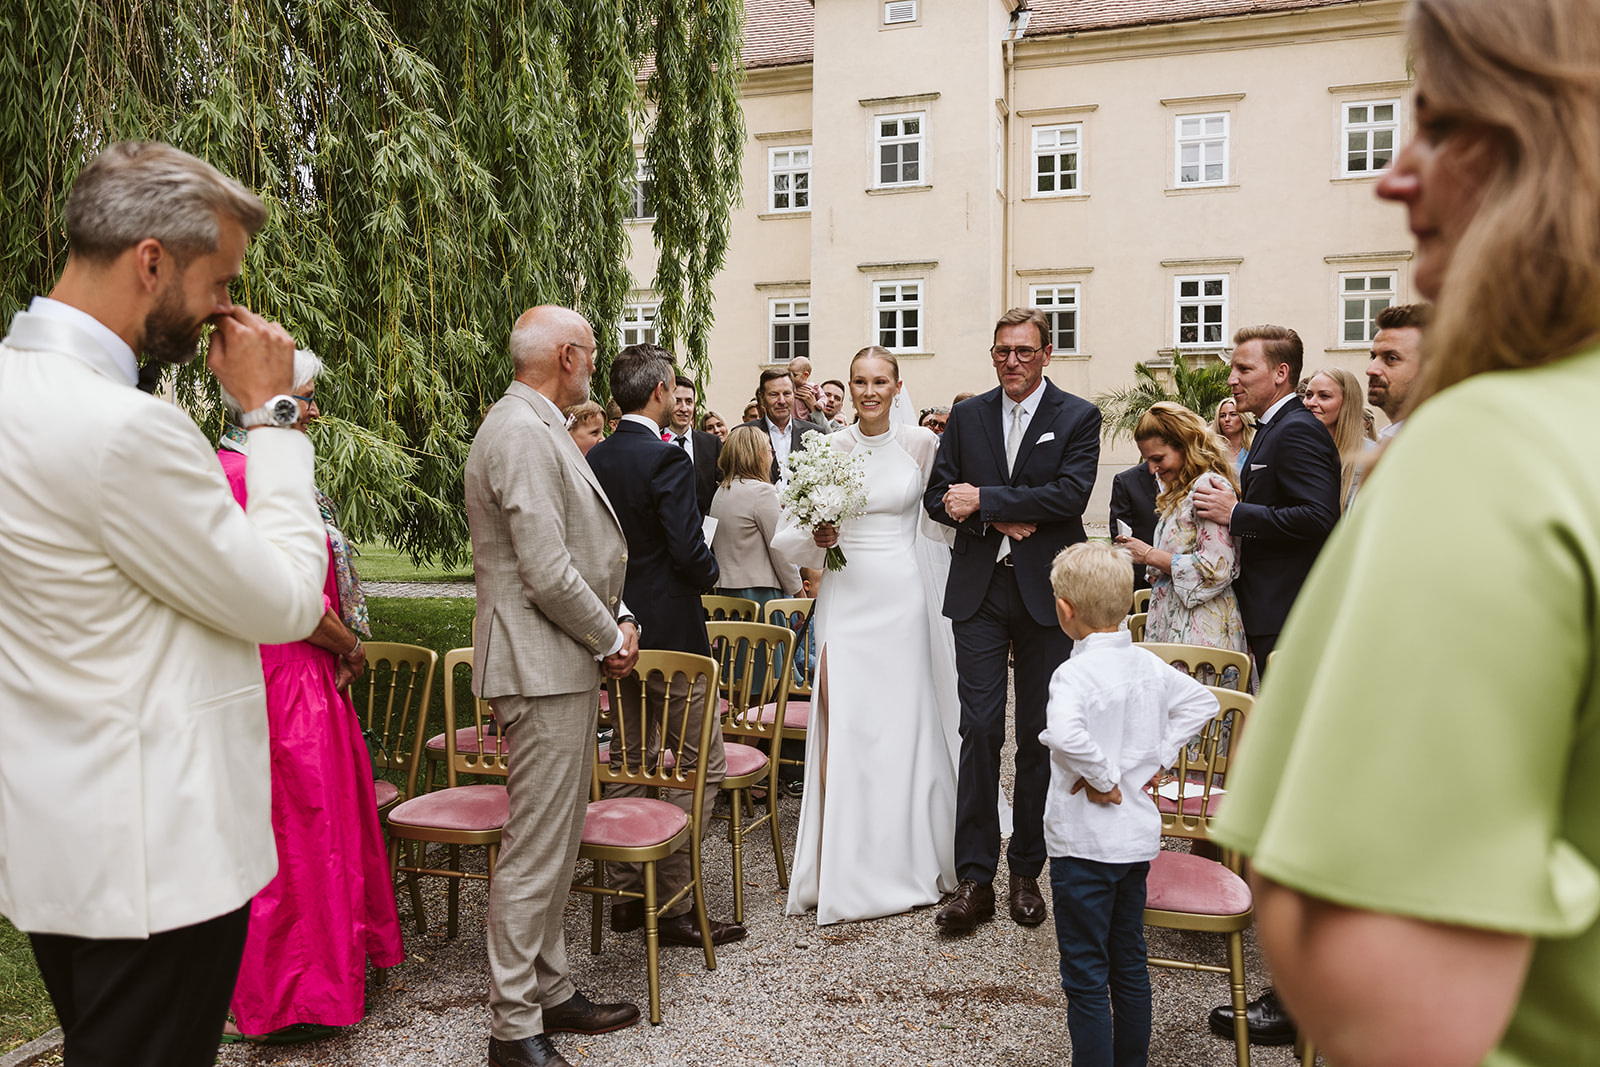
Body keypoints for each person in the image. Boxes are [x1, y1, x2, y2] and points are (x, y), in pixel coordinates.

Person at [1213, 4, 1600, 1065]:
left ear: (1548, 137)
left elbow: (1374, 973)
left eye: (1434, 126)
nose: (1394, 177)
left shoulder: (1492, 447)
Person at [0, 141, 329, 1067]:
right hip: (159, 861)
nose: (227, 307)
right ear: (152, 261)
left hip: (57, 840)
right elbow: (288, 599)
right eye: (219, 280)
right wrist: (272, 416)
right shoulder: (127, 432)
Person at [465, 305, 641, 1067]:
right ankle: (512, 1027)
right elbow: (543, 568)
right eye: (592, 354)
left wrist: (620, 613)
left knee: (558, 836)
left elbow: (582, 547)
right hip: (540, 662)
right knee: (535, 846)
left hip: (557, 659)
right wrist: (609, 636)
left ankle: (553, 987)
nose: (596, 367)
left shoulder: (538, 424)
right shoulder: (516, 431)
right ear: (567, 355)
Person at [216, 350, 404, 1042]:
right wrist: (348, 645)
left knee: (317, 828)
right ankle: (294, 996)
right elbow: (290, 593)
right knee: (301, 835)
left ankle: (321, 978)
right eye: (306, 397)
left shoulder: (240, 468)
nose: (316, 409)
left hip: (293, 670)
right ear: (274, 404)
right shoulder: (249, 479)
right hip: (287, 673)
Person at [925, 307, 1103, 935]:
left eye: (1024, 351)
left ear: (1047, 354)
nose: (1012, 362)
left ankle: (1026, 869)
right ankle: (974, 878)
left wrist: (989, 500)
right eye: (1003, 351)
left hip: (1046, 592)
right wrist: (990, 517)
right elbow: (938, 497)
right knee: (978, 731)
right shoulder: (968, 416)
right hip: (978, 589)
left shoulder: (1077, 416)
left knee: (1037, 733)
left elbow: (1070, 495)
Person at [777, 346, 963, 924]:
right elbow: (792, 533)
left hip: (903, 596)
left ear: (897, 385)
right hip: (848, 595)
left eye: (880, 381)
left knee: (904, 722)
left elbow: (942, 522)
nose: (869, 391)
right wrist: (821, 536)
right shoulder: (826, 448)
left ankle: (907, 856)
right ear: (850, 388)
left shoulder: (923, 445)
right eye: (860, 381)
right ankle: (846, 865)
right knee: (847, 720)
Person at [585, 343, 743, 947]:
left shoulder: (593, 458)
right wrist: (708, 572)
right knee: (700, 761)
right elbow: (685, 547)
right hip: (672, 630)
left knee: (628, 757)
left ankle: (628, 892)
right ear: (659, 392)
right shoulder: (665, 459)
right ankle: (671, 899)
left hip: (611, 628)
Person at [1039, 543, 1219, 1067]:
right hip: (1134, 844)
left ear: (1066, 609)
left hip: (1084, 846)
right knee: (1129, 963)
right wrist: (1157, 758)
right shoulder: (1146, 664)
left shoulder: (1072, 675)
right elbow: (1202, 703)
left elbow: (1066, 733)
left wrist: (1104, 778)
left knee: (1086, 973)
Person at [1194, 326, 1340, 670]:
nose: (1231, 379)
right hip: (1268, 609)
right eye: (1233, 369)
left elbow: (1319, 517)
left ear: (1281, 373)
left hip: (1287, 614)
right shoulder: (1271, 428)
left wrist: (1235, 514)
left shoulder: (1297, 429)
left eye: (1244, 369)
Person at [1115, 403, 1248, 665]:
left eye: (1159, 458)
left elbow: (1217, 568)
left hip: (1200, 634)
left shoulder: (1208, 487)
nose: (1152, 469)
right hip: (1174, 625)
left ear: (1185, 445)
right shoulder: (1181, 491)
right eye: (1148, 460)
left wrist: (1150, 555)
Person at [709, 425, 802, 611]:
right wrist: (798, 592)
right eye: (769, 450)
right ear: (758, 455)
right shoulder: (761, 492)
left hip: (725, 593)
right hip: (758, 595)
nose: (772, 457)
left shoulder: (721, 491)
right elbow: (779, 548)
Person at [1302, 368, 1375, 512]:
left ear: (1347, 403)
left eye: (1324, 396)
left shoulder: (1370, 457)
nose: (1311, 402)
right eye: (1309, 395)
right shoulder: (1301, 451)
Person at [1366, 302, 1429, 440]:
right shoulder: (1390, 438)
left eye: (1391, 358)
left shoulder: (1440, 442)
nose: (1371, 370)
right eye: (1373, 357)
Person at [743, 368, 815, 486]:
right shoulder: (745, 434)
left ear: (794, 395)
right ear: (762, 398)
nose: (781, 401)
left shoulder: (814, 433)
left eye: (787, 394)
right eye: (774, 394)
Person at [665, 373, 723, 515]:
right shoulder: (654, 440)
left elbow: (722, 489)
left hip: (704, 528)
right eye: (677, 401)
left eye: (689, 401)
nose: (684, 408)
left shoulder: (712, 444)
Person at [1107, 461, 1159, 595]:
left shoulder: (1198, 480)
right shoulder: (1126, 481)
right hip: (1144, 588)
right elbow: (1121, 540)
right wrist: (1149, 576)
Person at [1211, 396, 1255, 473]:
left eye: (1233, 414)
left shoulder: (1254, 448)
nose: (1227, 419)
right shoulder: (1212, 451)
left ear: (1243, 418)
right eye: (1222, 416)